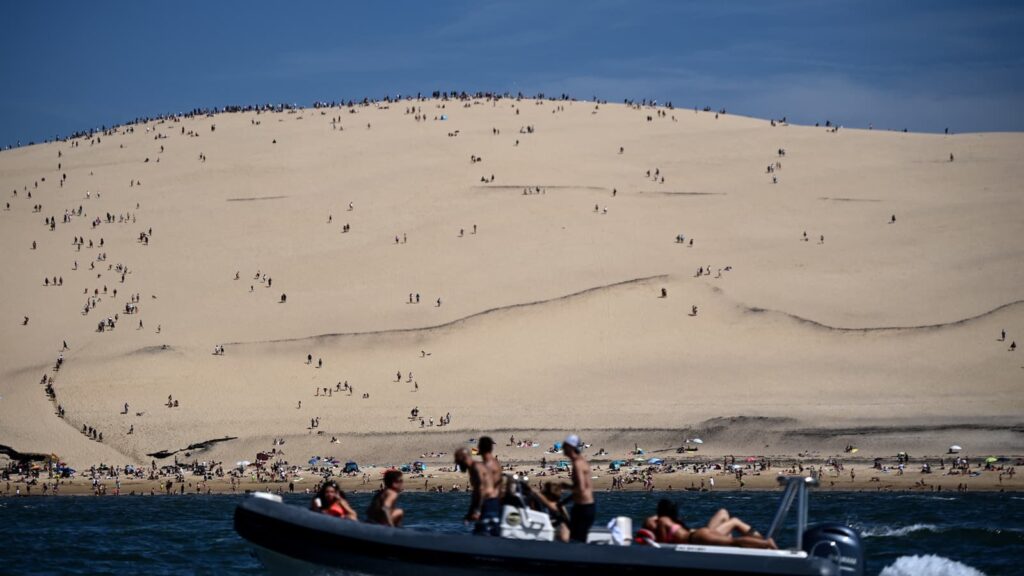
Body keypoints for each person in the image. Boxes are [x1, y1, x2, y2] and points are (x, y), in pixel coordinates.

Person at [643, 499, 776, 549]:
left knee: (733, 542)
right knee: (729, 524)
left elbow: (663, 542)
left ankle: (766, 543)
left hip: (697, 538)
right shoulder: (671, 520)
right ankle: (761, 541)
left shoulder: (662, 520)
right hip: (697, 535)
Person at [454, 447, 500, 536]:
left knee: (485, 534)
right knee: (481, 533)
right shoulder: (473, 468)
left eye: (457, 461)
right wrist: (470, 513)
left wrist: (477, 511)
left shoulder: (476, 468)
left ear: (463, 458)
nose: (457, 463)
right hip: (486, 504)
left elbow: (482, 490)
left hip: (490, 504)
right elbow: (476, 494)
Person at [561, 434, 594, 542]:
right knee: (578, 538)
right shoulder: (582, 461)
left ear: (570, 447)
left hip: (583, 508)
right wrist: (564, 501)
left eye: (564, 445)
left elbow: (581, 489)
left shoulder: (578, 464)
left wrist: (566, 487)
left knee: (576, 540)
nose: (562, 448)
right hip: (585, 506)